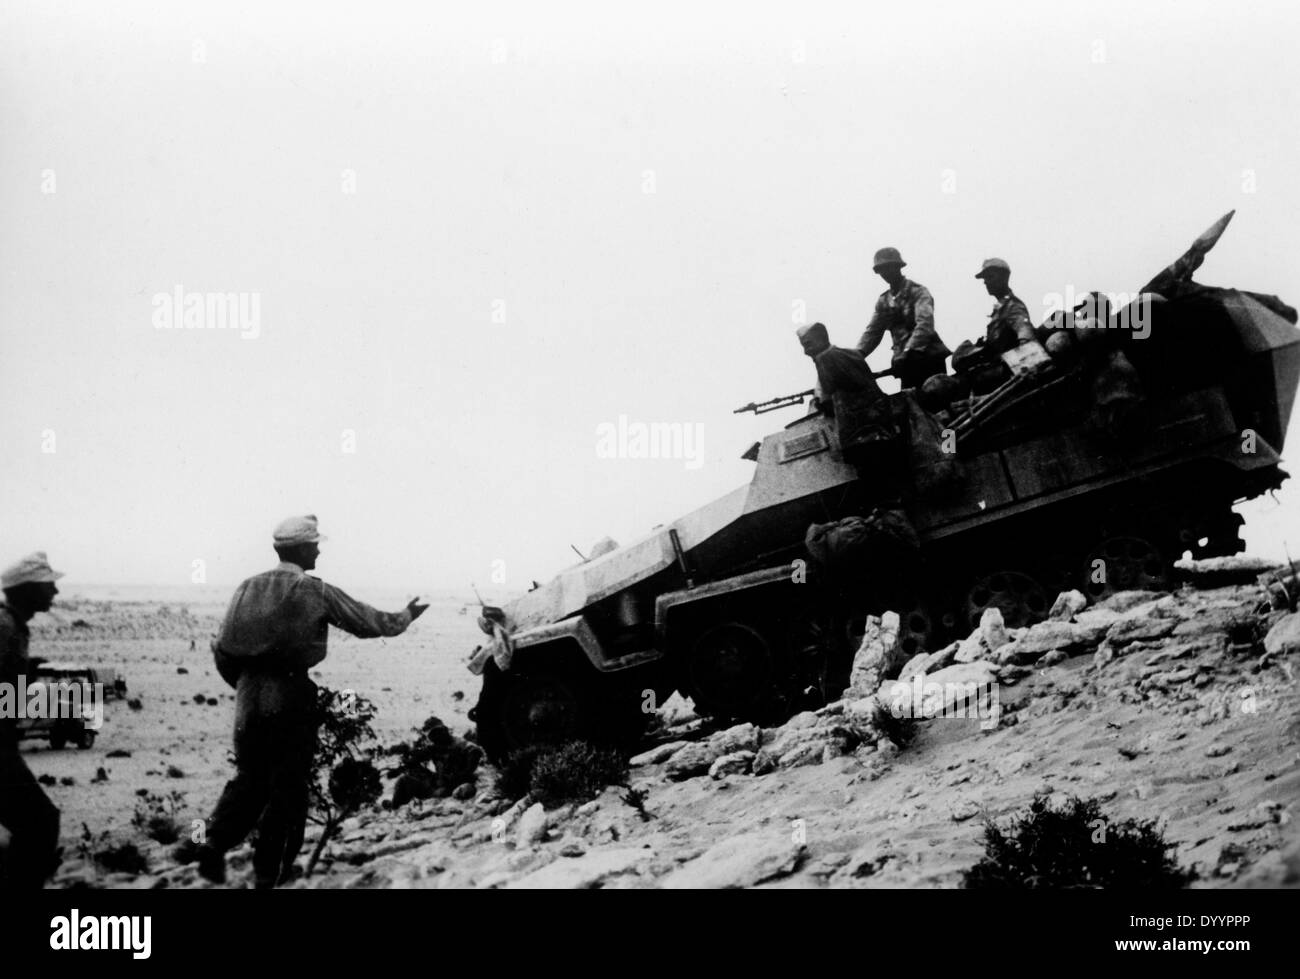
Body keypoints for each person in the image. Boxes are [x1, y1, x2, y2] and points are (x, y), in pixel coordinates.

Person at [188, 515, 428, 888]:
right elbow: (368, 622)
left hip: (247, 697)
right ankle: (272, 874)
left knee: (249, 779)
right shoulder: (312, 589)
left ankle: (213, 844)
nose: (318, 549)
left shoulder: (245, 587)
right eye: (315, 544)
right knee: (288, 788)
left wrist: (247, 686)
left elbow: (223, 650)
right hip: (289, 694)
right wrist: (407, 615)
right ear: (300, 548)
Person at [0, 551, 64, 889]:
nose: (55, 593)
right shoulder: (5, 627)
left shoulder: (12, 626)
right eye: (48, 585)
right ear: (27, 590)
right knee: (40, 823)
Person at [855, 247, 951, 389]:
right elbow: (872, 332)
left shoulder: (918, 291)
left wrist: (907, 352)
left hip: (928, 358)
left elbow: (925, 325)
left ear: (898, 267)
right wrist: (856, 357)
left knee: (937, 400)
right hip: (905, 365)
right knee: (912, 405)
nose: (886, 273)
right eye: (882, 269)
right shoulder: (884, 301)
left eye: (889, 267)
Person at [974, 257, 1037, 353]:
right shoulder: (1000, 308)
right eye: (985, 278)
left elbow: (1026, 338)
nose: (985, 282)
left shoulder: (1013, 306)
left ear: (1004, 278)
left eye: (990, 276)